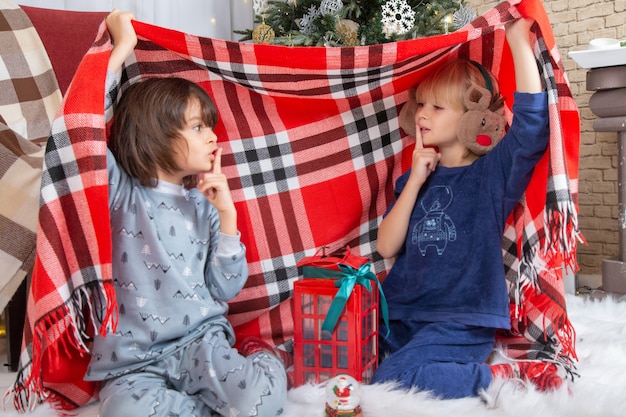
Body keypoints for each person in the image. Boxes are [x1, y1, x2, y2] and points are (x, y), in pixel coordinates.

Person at [83, 10, 289, 417]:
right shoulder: (122, 193)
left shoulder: (204, 208)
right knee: (121, 413)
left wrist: (226, 216)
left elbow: (225, 289)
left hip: (201, 342)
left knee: (259, 402)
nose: (212, 136)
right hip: (133, 359)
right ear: (154, 134)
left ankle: (264, 358)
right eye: (198, 127)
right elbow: (83, 122)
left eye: (209, 127)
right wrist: (122, 49)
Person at [370, 18, 563, 399]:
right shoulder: (413, 178)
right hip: (400, 314)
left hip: (460, 321)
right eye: (421, 104)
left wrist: (516, 39)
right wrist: (413, 183)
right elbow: (386, 247)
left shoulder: (492, 174)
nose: (422, 114)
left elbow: (531, 127)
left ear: (473, 118)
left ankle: (500, 378)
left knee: (391, 381)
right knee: (344, 357)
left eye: (437, 107)